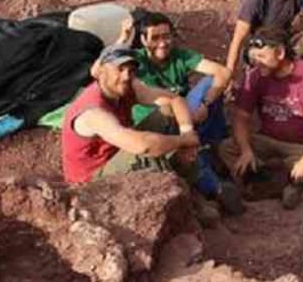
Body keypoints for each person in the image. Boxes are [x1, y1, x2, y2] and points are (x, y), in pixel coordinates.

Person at [123, 11, 243, 214]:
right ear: (143, 40)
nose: (162, 43)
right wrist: (123, 40)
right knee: (179, 137)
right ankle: (213, 188)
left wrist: (205, 103)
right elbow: (106, 65)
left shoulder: (179, 55)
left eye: (166, 36)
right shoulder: (135, 62)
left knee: (210, 84)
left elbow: (222, 72)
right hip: (157, 125)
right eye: (155, 38)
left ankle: (216, 148)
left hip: (185, 117)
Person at [219, 28, 303, 210]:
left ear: (280, 53)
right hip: (266, 139)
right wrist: (246, 150)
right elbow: (241, 118)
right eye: (254, 58)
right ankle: (282, 184)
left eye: (261, 57)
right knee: (227, 148)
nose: (257, 62)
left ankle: (265, 181)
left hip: (299, 146)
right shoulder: (255, 76)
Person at [61, 43, 200, 185]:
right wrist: (183, 140)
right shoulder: (93, 112)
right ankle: (181, 184)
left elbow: (175, 100)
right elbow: (143, 146)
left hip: (118, 153)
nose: (126, 76)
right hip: (92, 179)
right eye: (120, 69)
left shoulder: (127, 86)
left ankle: (189, 173)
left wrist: (187, 133)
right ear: (102, 71)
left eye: (131, 70)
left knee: (168, 112)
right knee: (147, 155)